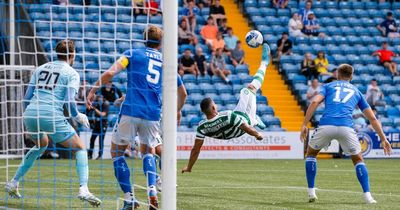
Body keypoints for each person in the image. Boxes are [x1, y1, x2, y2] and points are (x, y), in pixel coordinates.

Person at [87, 26, 186, 210]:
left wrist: (93, 90)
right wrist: (177, 111)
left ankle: (129, 198)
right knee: (148, 152)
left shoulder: (131, 54)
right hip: (153, 114)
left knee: (116, 153)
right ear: (161, 42)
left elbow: (110, 73)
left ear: (144, 39)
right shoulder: (167, 61)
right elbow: (183, 92)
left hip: (131, 110)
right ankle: (152, 191)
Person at [5, 40, 101, 207]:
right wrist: (77, 116)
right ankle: (84, 189)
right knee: (80, 148)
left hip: (30, 114)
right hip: (51, 115)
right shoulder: (71, 73)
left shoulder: (40, 68)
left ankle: (13, 182)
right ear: (73, 55)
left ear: (57, 53)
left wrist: (32, 117)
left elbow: (27, 98)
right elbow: (69, 101)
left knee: (41, 145)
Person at [300, 64, 392, 204]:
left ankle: (311, 192)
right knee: (358, 160)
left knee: (311, 154)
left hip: (327, 125)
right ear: (351, 76)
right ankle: (368, 196)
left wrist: (304, 124)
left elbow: (314, 101)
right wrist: (383, 138)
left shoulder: (328, 86)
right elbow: (372, 118)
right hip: (346, 127)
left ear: (337, 74)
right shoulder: (356, 91)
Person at [181, 44, 271, 173]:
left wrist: (189, 167)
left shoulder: (201, 127)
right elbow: (245, 127)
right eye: (214, 103)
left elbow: (196, 149)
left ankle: (256, 119)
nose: (216, 104)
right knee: (249, 89)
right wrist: (257, 134)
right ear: (213, 107)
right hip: (245, 120)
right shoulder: (227, 115)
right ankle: (264, 63)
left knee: (244, 92)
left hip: (237, 116)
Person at [87, 95, 109, 160]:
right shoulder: (96, 104)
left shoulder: (106, 104)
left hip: (103, 124)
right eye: (98, 98)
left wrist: (95, 109)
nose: (99, 99)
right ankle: (90, 155)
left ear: (103, 98)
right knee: (92, 139)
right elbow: (89, 109)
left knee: (101, 141)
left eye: (101, 98)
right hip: (96, 124)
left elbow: (103, 114)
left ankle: (100, 156)